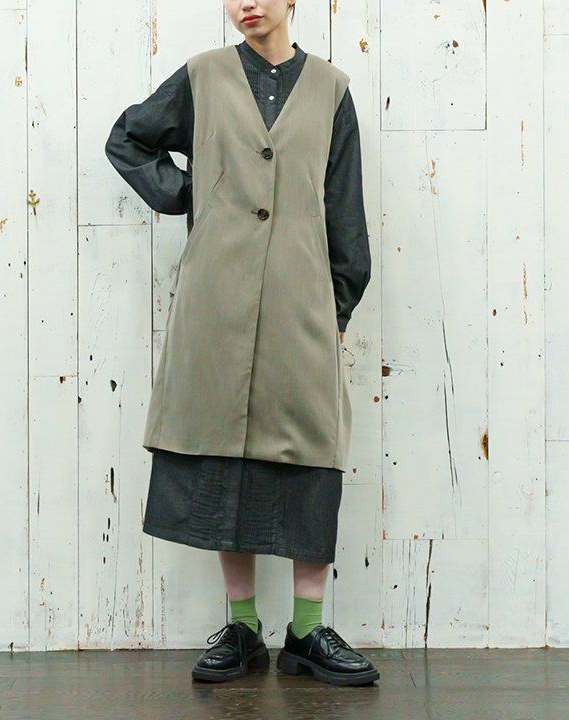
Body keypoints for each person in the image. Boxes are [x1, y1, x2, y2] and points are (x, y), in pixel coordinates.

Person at [105, 0, 378, 687]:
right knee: (222, 454)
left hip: (302, 303)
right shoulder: (202, 77)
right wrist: (188, 193)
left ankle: (308, 632)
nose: (246, 4)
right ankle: (244, 629)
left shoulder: (331, 91)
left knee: (311, 454)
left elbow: (344, 207)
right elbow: (128, 139)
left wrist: (336, 304)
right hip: (215, 299)